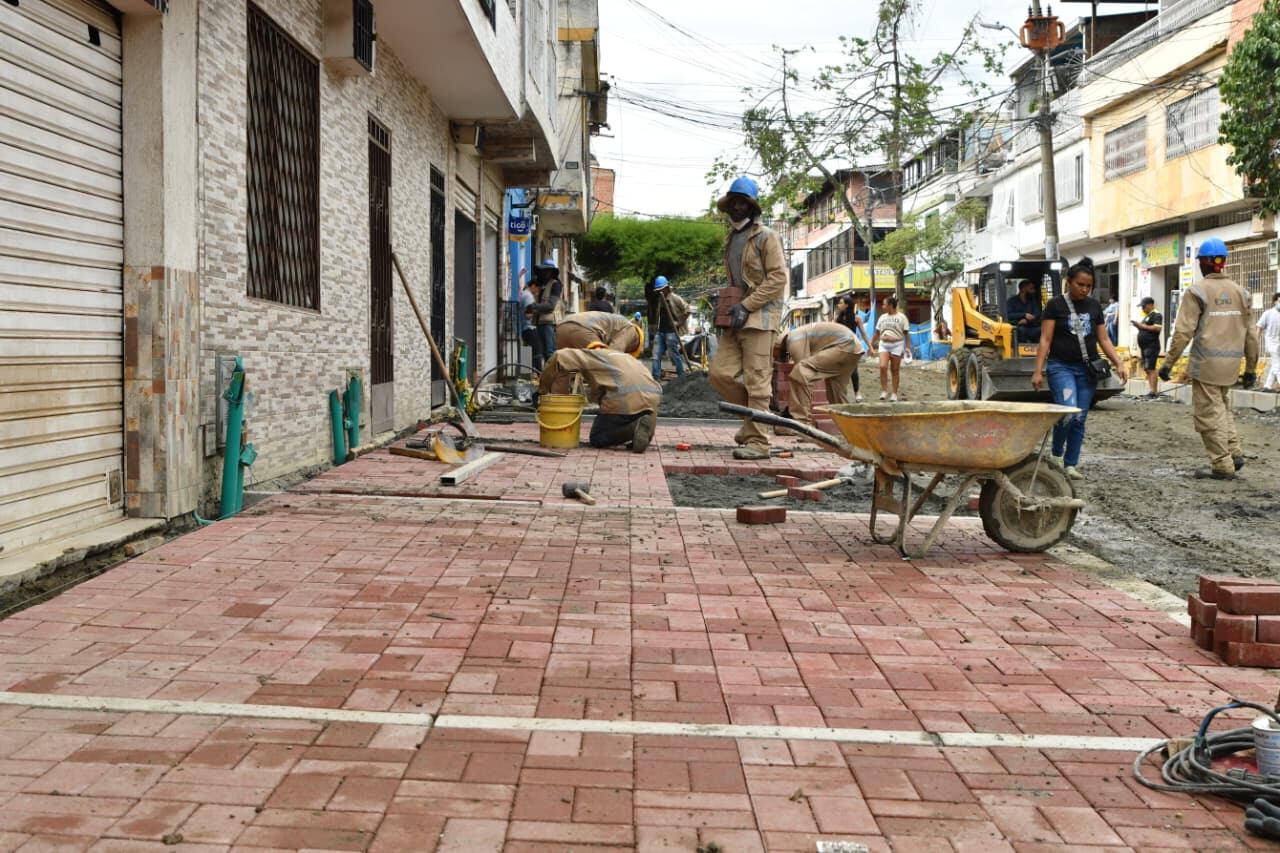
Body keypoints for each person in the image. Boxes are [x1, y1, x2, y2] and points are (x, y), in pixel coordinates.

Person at [1157, 238, 1260, 479]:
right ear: (1222, 262)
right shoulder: (1241, 292)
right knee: (1222, 409)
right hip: (1231, 366)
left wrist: (1168, 363)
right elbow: (1252, 336)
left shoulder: (1197, 291)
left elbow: (1183, 332)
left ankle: (1221, 465)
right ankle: (1234, 453)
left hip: (1206, 365)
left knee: (1208, 414)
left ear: (1203, 262)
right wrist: (1251, 369)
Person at [708, 176, 787, 460]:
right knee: (719, 374)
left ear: (752, 207)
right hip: (736, 318)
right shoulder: (732, 239)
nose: (737, 207)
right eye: (733, 202)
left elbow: (778, 278)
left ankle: (759, 442)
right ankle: (751, 422)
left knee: (757, 380)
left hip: (761, 319)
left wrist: (748, 304)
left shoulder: (767, 236)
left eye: (743, 202)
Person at [1031, 257, 1129, 480]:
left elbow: (1103, 339)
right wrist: (1038, 371)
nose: (1085, 290)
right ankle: (1056, 455)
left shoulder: (1094, 306)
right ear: (1069, 282)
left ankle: (1070, 464)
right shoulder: (1055, 305)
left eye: (1088, 286)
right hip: (1060, 367)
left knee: (1080, 417)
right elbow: (1045, 340)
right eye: (1080, 285)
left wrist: (1119, 363)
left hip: (1087, 370)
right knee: (1067, 411)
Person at [537, 343, 660, 452]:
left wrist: (542, 390)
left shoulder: (593, 356)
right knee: (638, 421)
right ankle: (635, 430)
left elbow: (560, 356)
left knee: (597, 437)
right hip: (652, 399)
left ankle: (633, 429)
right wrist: (648, 436)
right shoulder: (626, 358)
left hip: (624, 400)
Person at [777, 322, 863, 426]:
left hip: (844, 345)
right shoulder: (803, 332)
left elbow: (802, 375)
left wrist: (791, 408)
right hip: (855, 348)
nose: (775, 358)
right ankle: (848, 426)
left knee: (800, 371)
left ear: (778, 346)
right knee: (836, 391)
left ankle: (801, 422)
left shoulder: (793, 338)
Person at [834, 295, 874, 402]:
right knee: (840, 369)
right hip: (840, 347)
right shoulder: (837, 318)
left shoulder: (857, 318)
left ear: (847, 305)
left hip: (852, 346)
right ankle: (842, 392)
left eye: (841, 303)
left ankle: (857, 393)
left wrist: (870, 347)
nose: (838, 305)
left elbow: (864, 334)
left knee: (853, 369)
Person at [870, 297, 910, 401]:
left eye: (884, 304)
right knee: (883, 367)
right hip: (883, 344)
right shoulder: (882, 317)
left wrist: (908, 348)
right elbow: (877, 333)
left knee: (895, 369)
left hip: (897, 345)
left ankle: (894, 394)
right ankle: (884, 391)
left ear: (890, 305)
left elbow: (906, 334)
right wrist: (870, 345)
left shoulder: (902, 317)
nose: (882, 306)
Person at [650, 275, 689, 380]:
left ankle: (681, 377)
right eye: (658, 290)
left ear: (666, 288)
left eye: (660, 289)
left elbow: (687, 310)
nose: (659, 291)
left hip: (671, 332)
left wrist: (679, 323)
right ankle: (656, 377)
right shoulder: (660, 299)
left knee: (674, 355)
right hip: (661, 331)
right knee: (655, 355)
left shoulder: (675, 298)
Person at [556, 311, 643, 357]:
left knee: (563, 368)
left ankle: (557, 391)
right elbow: (614, 353)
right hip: (584, 328)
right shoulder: (631, 330)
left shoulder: (620, 321)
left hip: (561, 325)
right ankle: (599, 390)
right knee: (601, 363)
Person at [528, 259, 564, 364]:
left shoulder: (556, 285)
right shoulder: (543, 286)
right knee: (543, 352)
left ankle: (554, 376)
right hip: (540, 323)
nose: (544, 273)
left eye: (546, 271)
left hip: (550, 323)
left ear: (552, 272)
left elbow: (551, 306)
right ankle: (548, 376)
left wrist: (534, 306)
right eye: (543, 271)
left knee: (550, 352)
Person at [1130, 296, 1163, 397]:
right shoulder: (1147, 316)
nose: (1142, 308)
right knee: (1147, 368)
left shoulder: (1157, 315)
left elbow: (1157, 328)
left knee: (1151, 368)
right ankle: (1151, 390)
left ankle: (1153, 391)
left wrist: (1141, 326)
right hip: (1145, 347)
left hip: (1152, 346)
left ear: (1150, 305)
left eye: (1144, 306)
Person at [518, 277, 546, 370]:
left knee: (532, 352)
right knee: (537, 351)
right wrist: (539, 312)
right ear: (533, 286)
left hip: (526, 329)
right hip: (530, 328)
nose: (538, 290)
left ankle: (533, 372)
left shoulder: (525, 294)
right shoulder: (528, 296)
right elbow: (528, 315)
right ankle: (539, 373)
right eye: (538, 288)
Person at [1005, 279, 1042, 345]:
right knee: (1021, 330)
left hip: (1031, 326)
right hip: (1017, 327)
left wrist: (1027, 320)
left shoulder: (1032, 301)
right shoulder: (1011, 301)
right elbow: (1008, 315)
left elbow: (1037, 314)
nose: (1033, 291)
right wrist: (1023, 315)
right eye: (1031, 289)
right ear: (1023, 289)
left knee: (1042, 329)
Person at [1257, 292, 1280, 392]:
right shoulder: (1268, 313)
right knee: (1277, 365)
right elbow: (1259, 327)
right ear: (1275, 301)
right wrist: (1255, 340)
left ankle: (1267, 386)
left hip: (1279, 343)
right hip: (1271, 342)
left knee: (1276, 364)